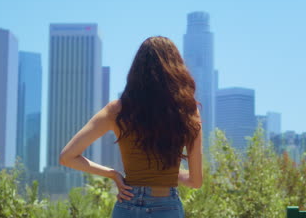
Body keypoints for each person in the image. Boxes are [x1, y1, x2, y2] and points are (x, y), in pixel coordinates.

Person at [59, 36, 203, 217]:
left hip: (127, 205)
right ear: (176, 69)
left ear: (137, 71)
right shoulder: (188, 111)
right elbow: (196, 181)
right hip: (167, 208)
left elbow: (67, 157)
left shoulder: (117, 110)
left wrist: (113, 174)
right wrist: (165, 174)